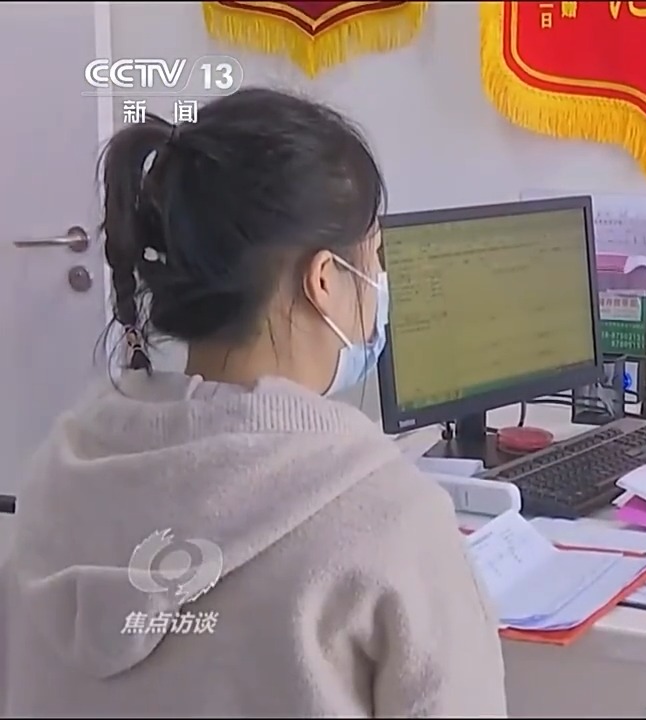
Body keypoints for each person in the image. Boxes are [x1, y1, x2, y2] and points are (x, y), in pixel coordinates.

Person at [0, 89, 505, 716]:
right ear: (325, 280)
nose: (380, 281)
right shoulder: (392, 521)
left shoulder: (57, 474)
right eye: (376, 256)